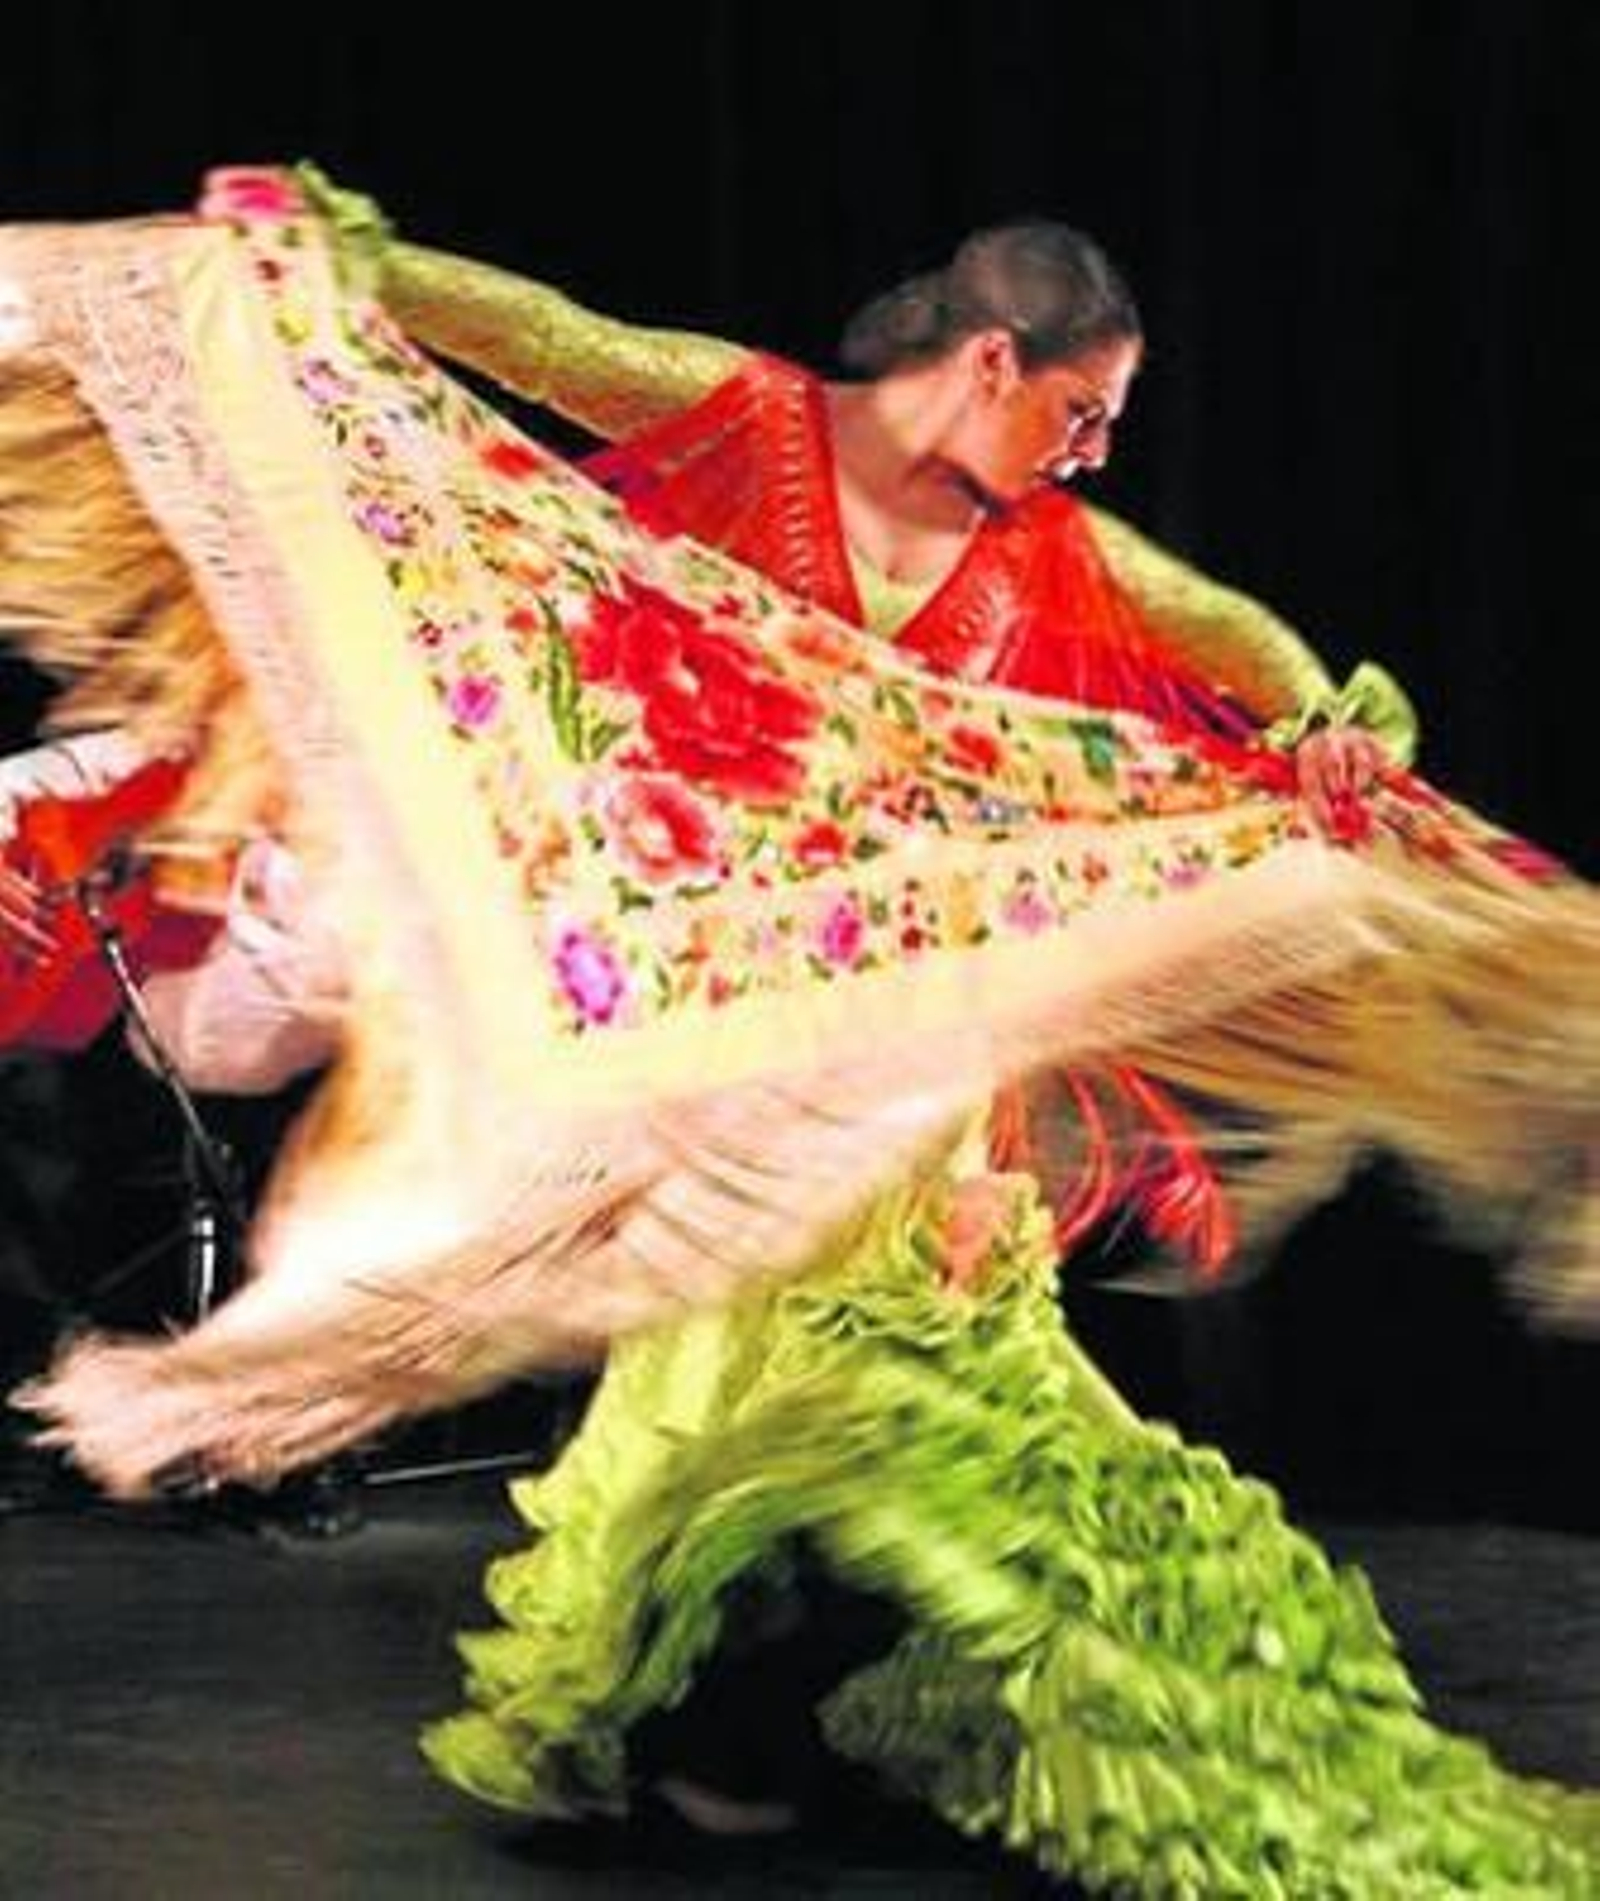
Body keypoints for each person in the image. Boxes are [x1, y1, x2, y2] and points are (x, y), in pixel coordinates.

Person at [5, 172, 1598, 1893]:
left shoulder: (1058, 558)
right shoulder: (747, 422)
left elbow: (1250, 647)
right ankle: (722, 1741)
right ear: (995, 358)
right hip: (705, 1058)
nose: (1096, 451)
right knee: (746, 1407)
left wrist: (1348, 724)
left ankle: (779, 1737)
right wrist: (334, 256)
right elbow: (531, 335)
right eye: (1083, 410)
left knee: (883, 1413)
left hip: (897, 1092)